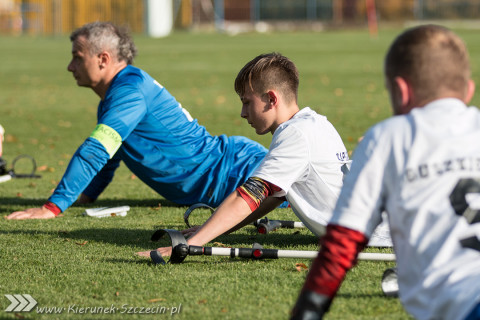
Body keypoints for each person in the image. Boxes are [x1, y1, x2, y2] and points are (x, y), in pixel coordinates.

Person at [291, 25, 480, 320]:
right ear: (468, 90)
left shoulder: (389, 138)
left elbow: (342, 242)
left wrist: (307, 310)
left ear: (401, 91)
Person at [137, 52, 391, 259]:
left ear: (271, 99)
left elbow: (250, 195)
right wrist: (208, 230)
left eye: (247, 102)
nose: (242, 113)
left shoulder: (296, 135)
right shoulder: (314, 122)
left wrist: (191, 244)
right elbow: (270, 195)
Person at [6, 21, 268, 220]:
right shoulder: (119, 93)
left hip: (240, 173)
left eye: (77, 57)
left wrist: (52, 207)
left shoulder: (129, 92)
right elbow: (109, 156)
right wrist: (84, 195)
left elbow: (96, 149)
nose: (70, 66)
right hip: (230, 171)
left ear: (103, 59)